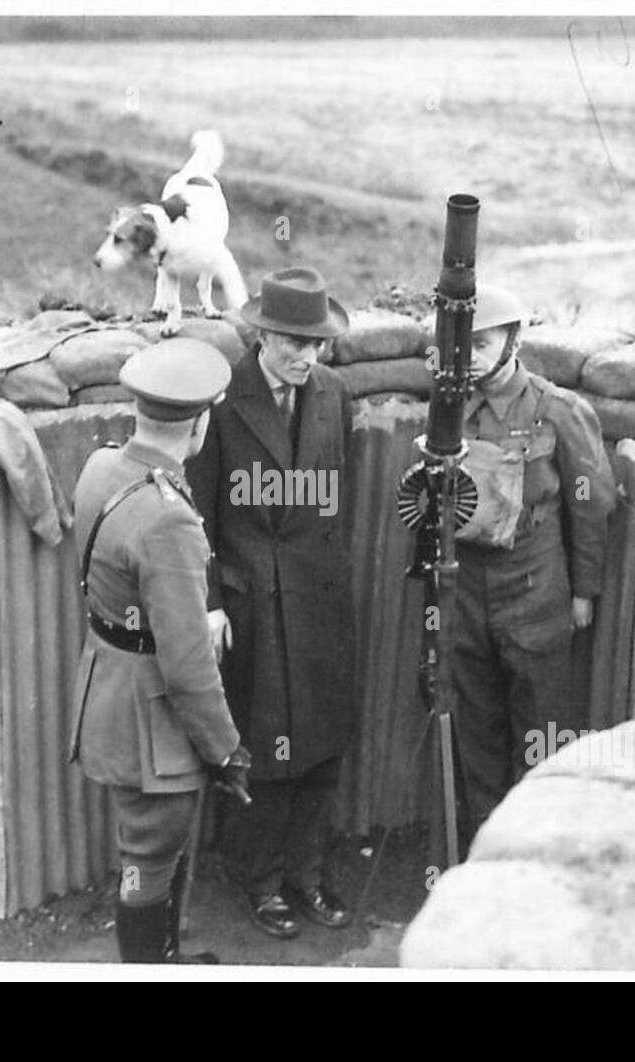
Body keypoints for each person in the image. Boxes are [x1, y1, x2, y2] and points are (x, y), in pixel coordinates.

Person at [66, 337, 251, 965]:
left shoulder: (103, 468)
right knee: (150, 853)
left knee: (151, 852)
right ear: (199, 424)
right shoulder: (167, 516)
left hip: (109, 683)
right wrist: (226, 751)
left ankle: (162, 960)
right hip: (150, 713)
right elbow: (189, 666)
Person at [187, 267, 357, 940]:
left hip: (318, 602)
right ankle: (259, 879)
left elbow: (336, 498)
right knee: (260, 743)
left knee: (320, 744)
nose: (304, 356)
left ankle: (307, 874)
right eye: (291, 341)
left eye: (314, 343)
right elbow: (196, 509)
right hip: (250, 600)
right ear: (262, 333)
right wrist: (210, 601)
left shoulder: (333, 395)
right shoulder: (224, 402)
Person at [450, 285, 617, 842]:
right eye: (460, 344)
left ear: (511, 341)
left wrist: (583, 593)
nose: (468, 354)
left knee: (541, 733)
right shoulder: (449, 408)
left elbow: (590, 506)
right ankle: (483, 853)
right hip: (466, 591)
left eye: (480, 343)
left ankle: (536, 851)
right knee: (476, 730)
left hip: (534, 591)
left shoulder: (558, 410)